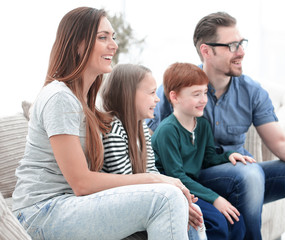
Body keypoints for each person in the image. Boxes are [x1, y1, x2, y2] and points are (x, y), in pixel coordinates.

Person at [147, 12, 285, 240]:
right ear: (207, 51)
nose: (241, 52)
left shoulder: (252, 92)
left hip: (245, 176)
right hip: (197, 178)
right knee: (250, 173)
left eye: (242, 43)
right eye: (232, 46)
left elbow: (282, 144)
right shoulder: (176, 90)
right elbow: (149, 145)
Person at [12, 7, 189, 239]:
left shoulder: (85, 103)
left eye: (113, 37)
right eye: (102, 37)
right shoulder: (59, 97)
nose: (113, 45)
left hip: (69, 205)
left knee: (186, 211)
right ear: (77, 45)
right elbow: (82, 183)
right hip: (41, 212)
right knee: (166, 197)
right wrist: (155, 179)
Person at [101, 63, 207, 240]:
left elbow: (151, 171)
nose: (157, 99)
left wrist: (181, 202)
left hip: (142, 199)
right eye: (151, 93)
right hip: (120, 206)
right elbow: (125, 184)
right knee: (180, 211)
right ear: (129, 95)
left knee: (193, 211)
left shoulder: (141, 126)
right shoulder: (113, 130)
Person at [152, 62, 251, 239]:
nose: (203, 100)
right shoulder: (168, 130)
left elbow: (209, 158)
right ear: (174, 97)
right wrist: (215, 199)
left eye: (205, 93)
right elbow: (177, 176)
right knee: (216, 222)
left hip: (191, 186)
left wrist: (229, 156)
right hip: (173, 190)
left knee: (236, 221)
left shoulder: (203, 125)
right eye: (196, 94)